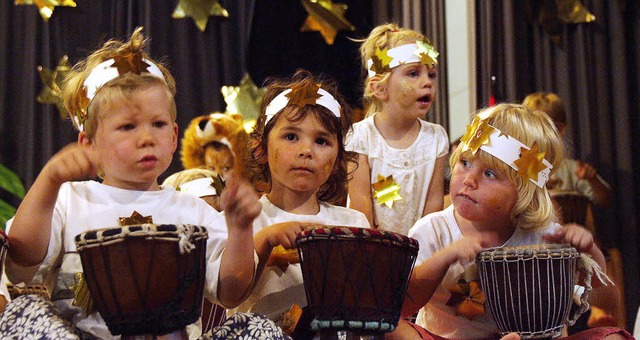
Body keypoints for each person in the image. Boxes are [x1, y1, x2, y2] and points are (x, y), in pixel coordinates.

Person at [0, 27, 287, 339]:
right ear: (89, 144)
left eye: (159, 124)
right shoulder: (71, 198)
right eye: (127, 126)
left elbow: (231, 292)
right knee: (23, 311)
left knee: (256, 328)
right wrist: (48, 180)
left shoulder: (192, 210)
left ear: (175, 135)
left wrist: (241, 229)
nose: (147, 138)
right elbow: (22, 259)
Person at [391, 104, 630, 339]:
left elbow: (607, 303)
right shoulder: (432, 230)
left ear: (523, 191)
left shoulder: (545, 237)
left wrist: (591, 253)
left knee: (612, 338)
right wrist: (445, 256)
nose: (469, 180)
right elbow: (403, 307)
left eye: (489, 174)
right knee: (392, 329)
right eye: (465, 163)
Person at [233, 69, 370, 335]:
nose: (306, 150)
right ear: (261, 149)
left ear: (339, 159)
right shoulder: (243, 222)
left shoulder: (353, 224)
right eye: (291, 136)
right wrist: (264, 240)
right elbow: (229, 296)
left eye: (321, 141)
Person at [346, 23, 449, 235]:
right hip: (372, 249)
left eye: (431, 75)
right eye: (413, 73)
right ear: (380, 88)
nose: (427, 83)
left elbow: (433, 204)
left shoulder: (436, 138)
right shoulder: (361, 136)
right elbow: (360, 207)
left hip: (419, 249)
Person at [522, 92, 611, 208]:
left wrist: (592, 180)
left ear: (560, 128)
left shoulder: (571, 169)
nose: (535, 132)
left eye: (542, 126)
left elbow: (604, 199)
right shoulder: (516, 165)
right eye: (531, 125)